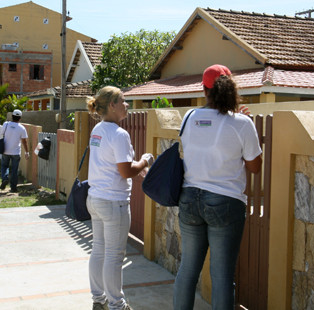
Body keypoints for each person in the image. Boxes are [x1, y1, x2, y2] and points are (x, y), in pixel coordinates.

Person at [173, 65, 262, 310]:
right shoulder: (243, 123)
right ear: (230, 89)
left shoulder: (190, 117)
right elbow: (255, 167)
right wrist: (242, 120)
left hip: (189, 198)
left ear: (204, 90)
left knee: (188, 270)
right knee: (222, 277)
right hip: (225, 202)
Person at [86, 86, 154, 310]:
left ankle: (99, 299)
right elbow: (126, 171)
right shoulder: (119, 134)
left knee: (99, 250)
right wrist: (145, 161)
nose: (127, 105)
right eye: (123, 101)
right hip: (113, 202)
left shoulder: (98, 129)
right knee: (115, 256)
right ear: (112, 105)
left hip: (95, 198)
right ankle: (117, 305)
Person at [0, 109, 30, 193]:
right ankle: (13, 188)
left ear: (12, 116)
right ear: (20, 118)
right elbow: (24, 141)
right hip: (16, 152)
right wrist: (27, 152)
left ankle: (5, 178)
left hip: (5, 150)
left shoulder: (6, 124)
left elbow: (2, 134)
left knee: (4, 166)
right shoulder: (22, 128)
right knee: (14, 170)